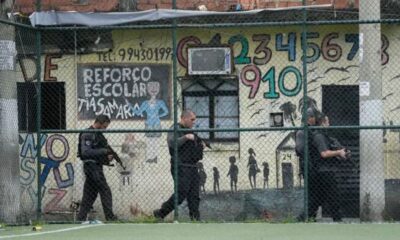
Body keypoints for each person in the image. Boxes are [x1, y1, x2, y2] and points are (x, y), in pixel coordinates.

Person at [153, 109, 205, 221]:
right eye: (192, 119)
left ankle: (195, 218)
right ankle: (161, 213)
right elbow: (172, 143)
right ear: (184, 118)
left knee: (194, 194)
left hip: (192, 166)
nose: (193, 122)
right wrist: (186, 137)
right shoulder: (175, 129)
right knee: (181, 193)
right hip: (180, 166)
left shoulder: (190, 131)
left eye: (194, 120)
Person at [308, 113, 347, 222]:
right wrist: (339, 152)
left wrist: (340, 152)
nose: (329, 124)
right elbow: (324, 153)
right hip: (323, 171)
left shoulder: (324, 136)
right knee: (333, 196)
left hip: (323, 171)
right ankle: (337, 219)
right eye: (327, 121)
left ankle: (307, 217)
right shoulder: (319, 136)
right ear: (323, 123)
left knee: (318, 198)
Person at [77, 115, 118, 221]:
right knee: (105, 190)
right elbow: (85, 152)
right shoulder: (88, 133)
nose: (105, 129)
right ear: (99, 123)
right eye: (104, 126)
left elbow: (97, 152)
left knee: (89, 195)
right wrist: (104, 152)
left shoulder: (99, 136)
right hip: (91, 167)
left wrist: (107, 158)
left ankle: (80, 218)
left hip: (96, 166)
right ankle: (110, 217)